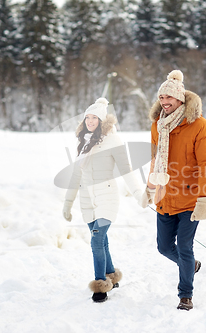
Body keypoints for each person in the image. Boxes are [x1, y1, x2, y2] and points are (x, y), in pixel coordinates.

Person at [142, 70, 206, 311]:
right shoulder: (158, 125)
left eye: (169, 98)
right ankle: (190, 265)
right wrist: (150, 188)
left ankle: (186, 294)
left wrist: (204, 198)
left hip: (190, 198)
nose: (164, 102)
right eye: (161, 97)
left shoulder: (199, 126)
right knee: (164, 247)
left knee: (184, 246)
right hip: (165, 197)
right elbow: (155, 159)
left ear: (180, 99)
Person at [63, 97, 143, 303]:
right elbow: (76, 176)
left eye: (94, 118)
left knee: (97, 240)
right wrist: (68, 203)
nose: (90, 121)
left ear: (101, 120)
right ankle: (111, 275)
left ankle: (100, 286)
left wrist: (139, 195)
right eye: (87, 118)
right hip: (87, 200)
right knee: (102, 240)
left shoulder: (113, 141)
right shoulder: (84, 143)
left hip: (107, 197)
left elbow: (127, 171)